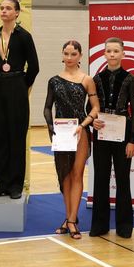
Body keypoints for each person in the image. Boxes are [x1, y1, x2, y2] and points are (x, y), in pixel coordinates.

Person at [43, 40, 99, 239]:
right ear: (62, 54)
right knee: (64, 176)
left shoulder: (87, 79)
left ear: (80, 56)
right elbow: (47, 107)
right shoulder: (54, 80)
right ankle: (68, 218)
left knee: (77, 174)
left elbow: (95, 107)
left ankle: (72, 220)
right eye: (66, 54)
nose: (69, 57)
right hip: (61, 132)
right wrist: (51, 126)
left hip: (79, 131)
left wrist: (84, 125)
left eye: (73, 54)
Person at [0, 0, 39, 200]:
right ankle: (1, 183)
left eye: (8, 8)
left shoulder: (24, 36)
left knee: (16, 137)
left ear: (17, 13)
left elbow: (34, 67)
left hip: (17, 85)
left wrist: (22, 85)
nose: (4, 11)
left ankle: (16, 185)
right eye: (1, 8)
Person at [89, 37, 134, 239]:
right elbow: (90, 107)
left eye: (116, 51)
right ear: (104, 54)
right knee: (100, 177)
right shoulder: (96, 79)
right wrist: (92, 121)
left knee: (123, 178)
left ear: (123, 54)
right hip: (101, 132)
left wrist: (133, 140)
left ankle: (124, 225)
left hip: (122, 133)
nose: (112, 54)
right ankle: (99, 224)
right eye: (109, 51)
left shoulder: (130, 79)